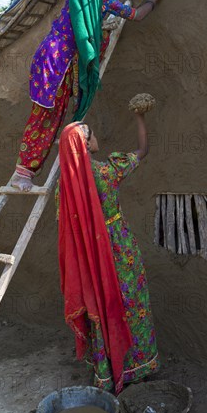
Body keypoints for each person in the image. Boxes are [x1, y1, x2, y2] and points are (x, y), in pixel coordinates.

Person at [11, 0, 164, 191]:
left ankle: (26, 171)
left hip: (49, 59)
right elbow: (136, 14)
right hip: (57, 65)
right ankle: (22, 174)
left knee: (49, 115)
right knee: (45, 117)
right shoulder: (99, 2)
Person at [57, 111, 159, 394]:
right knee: (131, 306)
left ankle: (106, 372)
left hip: (89, 257)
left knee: (100, 308)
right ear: (86, 145)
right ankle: (136, 368)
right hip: (119, 248)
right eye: (91, 134)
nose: (96, 136)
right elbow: (143, 149)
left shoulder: (64, 189)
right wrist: (139, 117)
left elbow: (67, 229)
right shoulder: (107, 171)